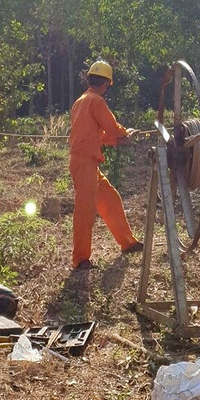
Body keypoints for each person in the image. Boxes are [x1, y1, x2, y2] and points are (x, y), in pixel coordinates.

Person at [69, 60, 143, 270]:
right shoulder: (97, 102)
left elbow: (98, 135)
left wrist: (118, 139)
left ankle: (128, 243)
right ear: (107, 84)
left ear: (90, 79)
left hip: (87, 163)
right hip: (84, 164)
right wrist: (124, 133)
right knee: (85, 212)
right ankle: (81, 259)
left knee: (110, 199)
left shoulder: (80, 101)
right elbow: (111, 127)